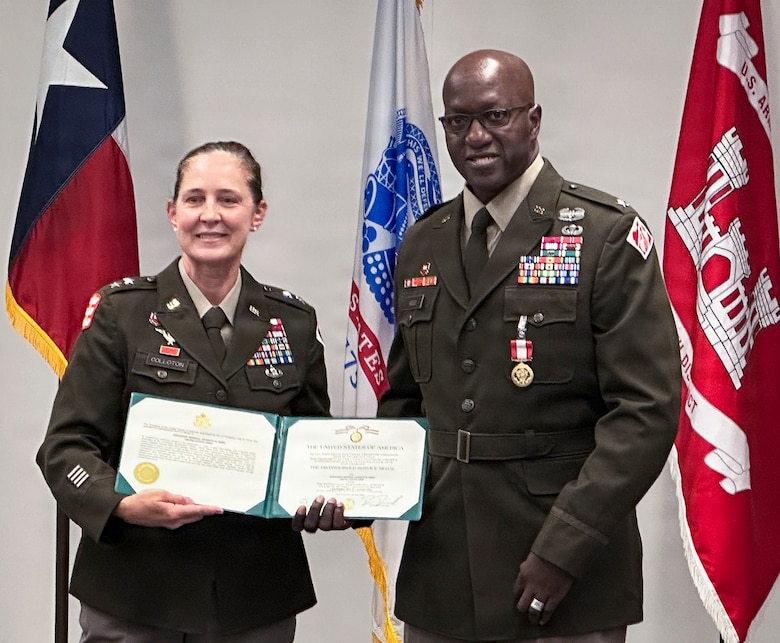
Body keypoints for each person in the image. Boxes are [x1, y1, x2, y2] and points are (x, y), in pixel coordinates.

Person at [377, 50, 682, 642]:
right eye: (458, 121)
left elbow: (646, 412)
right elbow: (407, 400)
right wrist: (357, 488)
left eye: (495, 116)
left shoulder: (604, 234)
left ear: (534, 119)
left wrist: (565, 548)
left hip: (562, 572)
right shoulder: (423, 240)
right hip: (443, 572)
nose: (475, 136)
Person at [37, 141, 350, 642]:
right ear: (172, 212)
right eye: (194, 199)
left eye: (228, 199)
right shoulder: (122, 313)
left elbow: (311, 447)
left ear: (257, 213)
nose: (210, 215)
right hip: (135, 593)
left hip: (253, 599)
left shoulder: (292, 323)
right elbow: (65, 447)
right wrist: (121, 504)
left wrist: (338, 492)